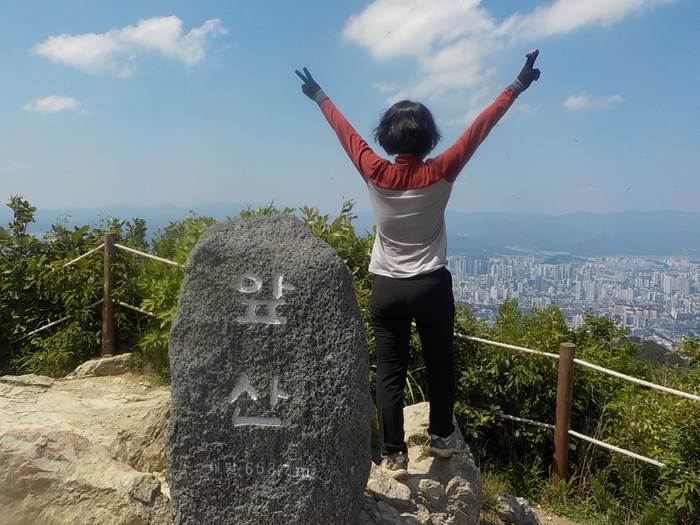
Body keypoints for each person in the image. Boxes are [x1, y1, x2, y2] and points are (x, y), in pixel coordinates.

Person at [296, 51, 541, 480]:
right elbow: (481, 127)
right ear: (429, 138)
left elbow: (346, 134)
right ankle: (442, 439)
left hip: (388, 287)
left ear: (388, 138)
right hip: (430, 284)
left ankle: (394, 456)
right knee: (441, 363)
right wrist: (517, 85)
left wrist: (319, 96)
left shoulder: (374, 171)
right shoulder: (442, 171)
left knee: (390, 370)